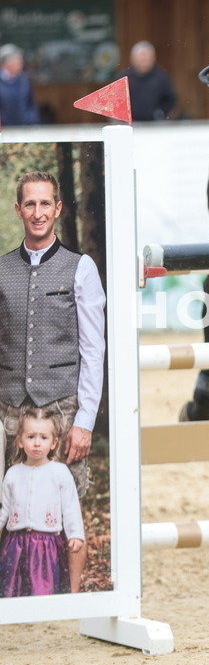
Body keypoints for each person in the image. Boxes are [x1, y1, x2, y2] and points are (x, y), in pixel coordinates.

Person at [0, 171, 106, 591]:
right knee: (11, 511)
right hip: (8, 408)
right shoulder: (1, 269)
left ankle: (73, 598)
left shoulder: (80, 269)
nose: (38, 212)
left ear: (58, 209)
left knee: (66, 511)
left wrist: (85, 421)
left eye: (46, 204)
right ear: (18, 210)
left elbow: (93, 349)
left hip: (62, 407)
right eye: (30, 204)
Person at [0, 407, 85, 596]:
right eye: (30, 437)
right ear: (20, 441)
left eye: (43, 438)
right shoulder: (13, 473)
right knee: (12, 591)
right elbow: (4, 509)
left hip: (46, 546)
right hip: (16, 545)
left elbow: (70, 508)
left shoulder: (60, 472)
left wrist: (75, 535)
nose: (37, 443)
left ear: (54, 443)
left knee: (43, 589)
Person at [119, 41, 179, 121]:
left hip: (156, 125)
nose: (144, 61)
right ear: (133, 58)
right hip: (131, 126)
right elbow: (116, 104)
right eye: (141, 58)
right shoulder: (124, 78)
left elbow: (171, 101)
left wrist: (162, 115)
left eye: (147, 58)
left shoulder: (161, 77)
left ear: (153, 58)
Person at [0, 44, 40, 127]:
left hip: (24, 127)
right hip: (4, 129)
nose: (21, 64)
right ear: (7, 63)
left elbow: (31, 103)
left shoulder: (24, 80)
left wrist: (33, 120)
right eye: (18, 61)